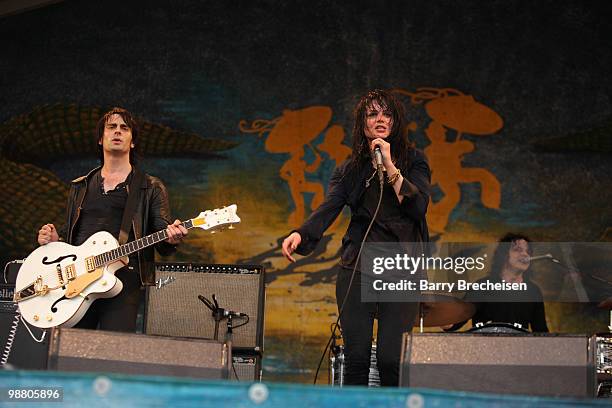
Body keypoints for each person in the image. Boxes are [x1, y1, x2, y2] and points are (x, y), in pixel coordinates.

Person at [281, 89, 431, 386]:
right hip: (358, 268)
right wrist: (301, 233)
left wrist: (389, 165)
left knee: (390, 360)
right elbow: (329, 207)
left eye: (386, 114)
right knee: (356, 360)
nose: (380, 119)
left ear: (395, 121)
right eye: (372, 114)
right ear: (363, 125)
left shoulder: (414, 161)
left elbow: (417, 206)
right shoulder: (350, 170)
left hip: (401, 269)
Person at [37, 107, 187, 332]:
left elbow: (162, 237)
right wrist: (55, 240)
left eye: (124, 128)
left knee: (114, 349)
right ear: (101, 138)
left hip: (123, 280)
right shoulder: (81, 186)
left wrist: (173, 237)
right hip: (79, 279)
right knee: (71, 349)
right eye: (112, 127)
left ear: (132, 141)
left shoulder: (150, 187)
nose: (118, 131)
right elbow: (71, 235)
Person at [448, 233, 548, 332]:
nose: (525, 254)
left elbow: (541, 332)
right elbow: (455, 322)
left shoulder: (533, 291)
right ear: (503, 255)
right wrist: (439, 313)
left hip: (519, 347)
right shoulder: (482, 286)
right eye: (518, 250)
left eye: (528, 251)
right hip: (485, 346)